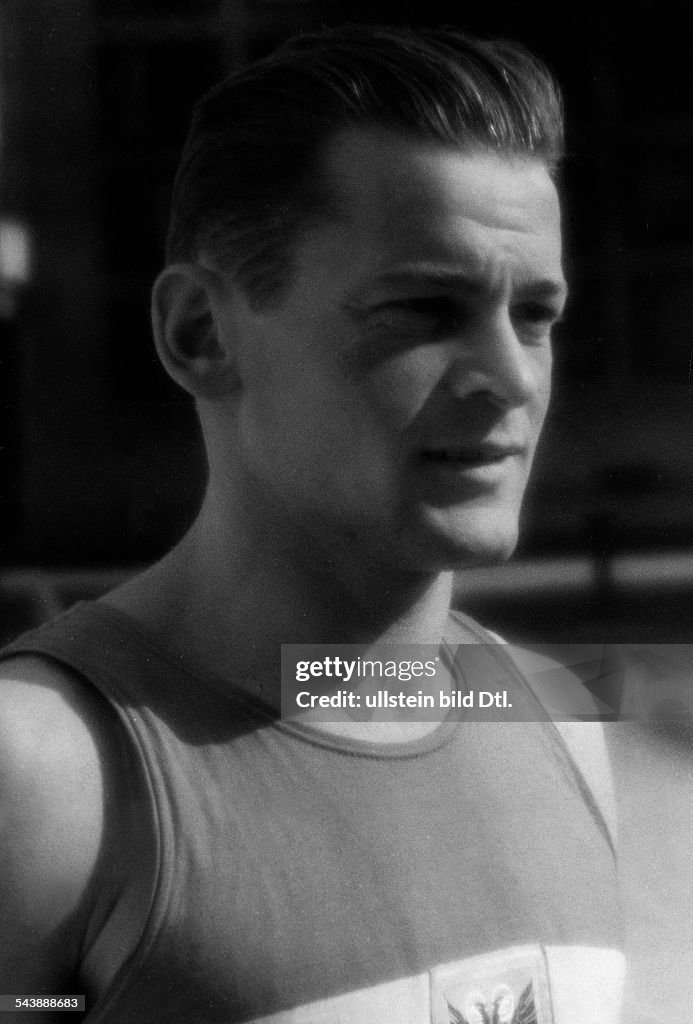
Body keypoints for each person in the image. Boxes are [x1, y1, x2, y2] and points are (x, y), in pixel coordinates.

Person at [0, 25, 624, 1024]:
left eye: (536, 316)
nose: (511, 375)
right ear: (201, 334)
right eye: (424, 308)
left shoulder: (550, 714)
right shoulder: (44, 776)